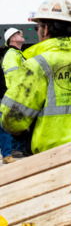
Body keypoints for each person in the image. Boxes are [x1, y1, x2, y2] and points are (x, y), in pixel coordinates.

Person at [0, 0, 71, 212]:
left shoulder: (38, 65)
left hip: (47, 164)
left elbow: (11, 118)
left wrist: (22, 136)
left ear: (45, 29)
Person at [1, 28, 27, 163]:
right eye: (17, 34)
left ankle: (16, 150)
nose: (21, 35)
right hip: (16, 95)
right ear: (11, 39)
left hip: (17, 95)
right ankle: (14, 150)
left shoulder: (18, 54)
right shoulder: (12, 54)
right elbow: (13, 76)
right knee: (13, 125)